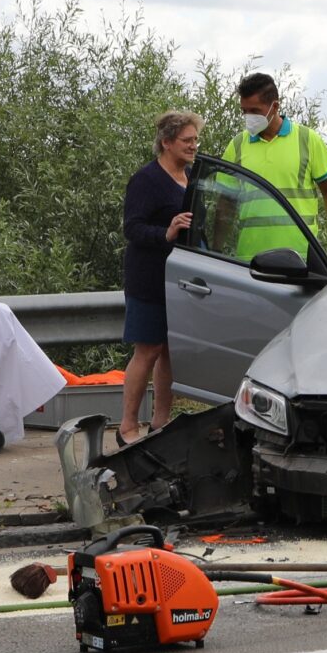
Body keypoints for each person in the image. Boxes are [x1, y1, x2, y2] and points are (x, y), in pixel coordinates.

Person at [120, 110, 199, 442]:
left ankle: (160, 424)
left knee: (169, 351)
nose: (193, 146)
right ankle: (127, 426)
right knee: (148, 349)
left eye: (196, 140)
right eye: (187, 140)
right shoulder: (146, 179)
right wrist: (166, 232)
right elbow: (132, 228)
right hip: (149, 278)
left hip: (181, 280)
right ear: (166, 142)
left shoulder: (192, 177)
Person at [221, 72, 327, 267]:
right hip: (249, 258)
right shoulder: (237, 145)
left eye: (255, 111)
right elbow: (225, 203)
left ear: (275, 107)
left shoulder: (307, 139)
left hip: (300, 258)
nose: (248, 117)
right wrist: (215, 249)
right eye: (244, 111)